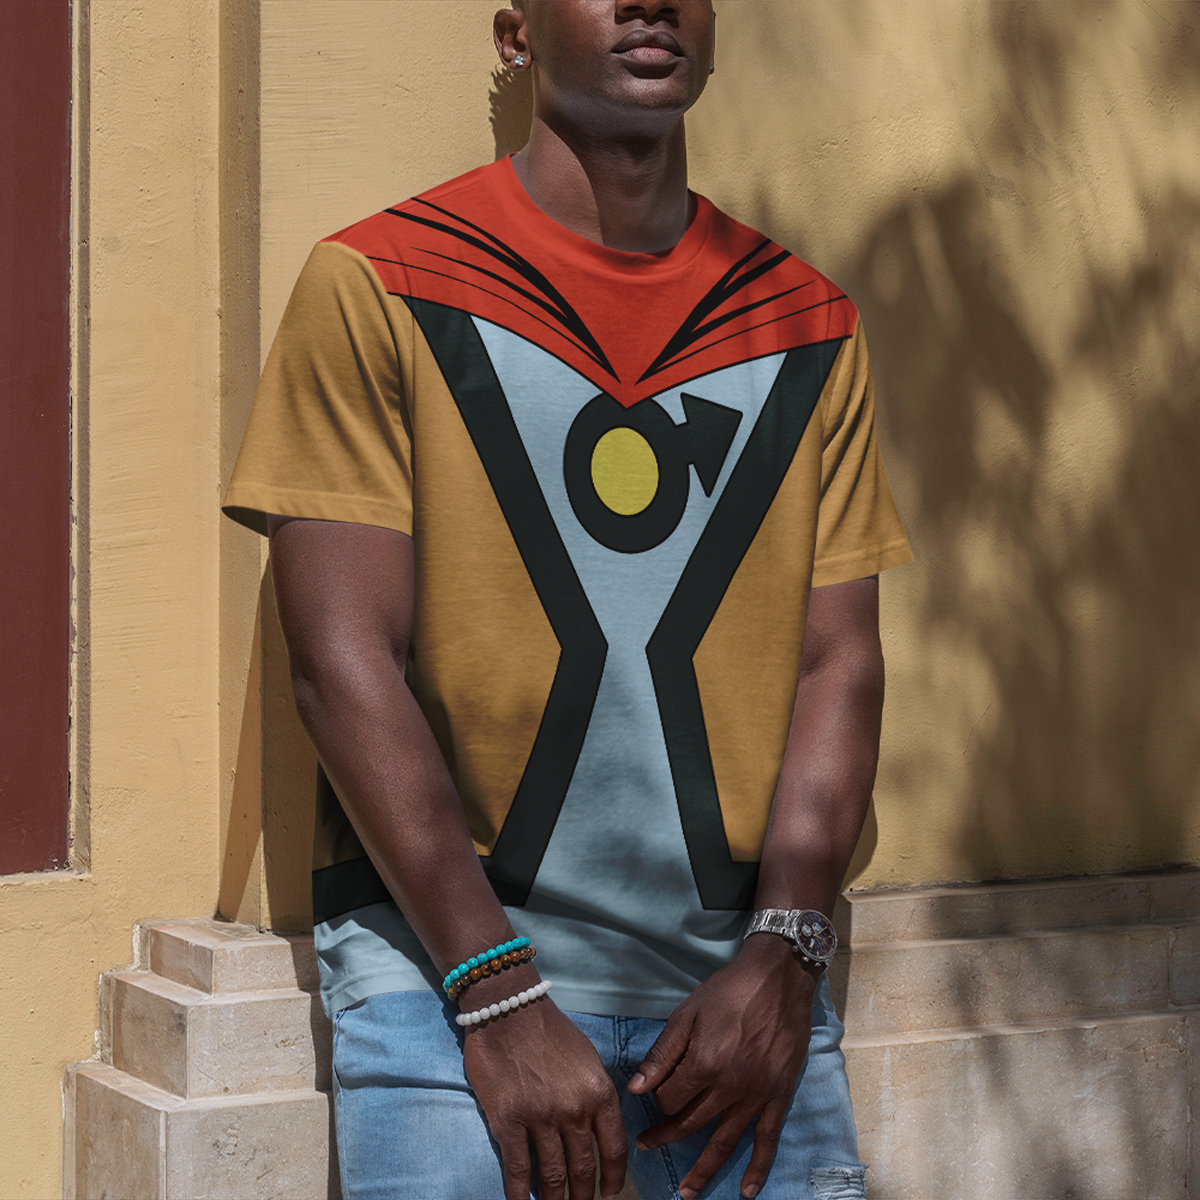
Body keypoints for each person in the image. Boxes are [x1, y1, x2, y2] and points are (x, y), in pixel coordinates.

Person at [224, 2, 911, 1197]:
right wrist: (496, 991)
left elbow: (838, 664)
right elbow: (340, 664)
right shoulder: (379, 285)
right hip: (444, 982)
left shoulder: (805, 322)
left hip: (736, 997)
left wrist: (785, 956)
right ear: (515, 36)